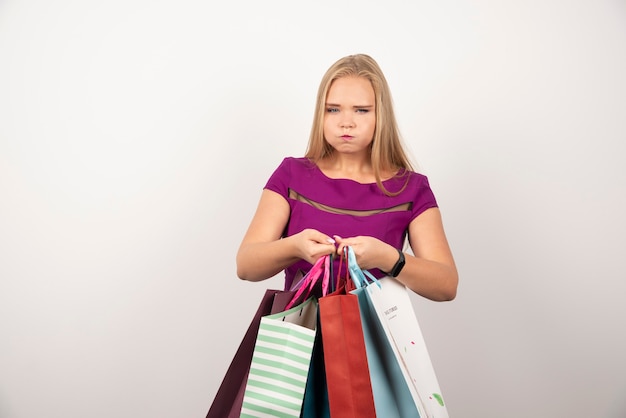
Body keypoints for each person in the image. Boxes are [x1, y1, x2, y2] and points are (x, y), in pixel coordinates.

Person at [236, 54, 457, 302]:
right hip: (301, 338)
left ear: (380, 116)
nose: (346, 123)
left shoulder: (411, 188)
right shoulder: (291, 174)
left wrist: (387, 258)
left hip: (371, 338)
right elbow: (245, 266)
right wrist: (295, 246)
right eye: (333, 109)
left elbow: (446, 284)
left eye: (361, 110)